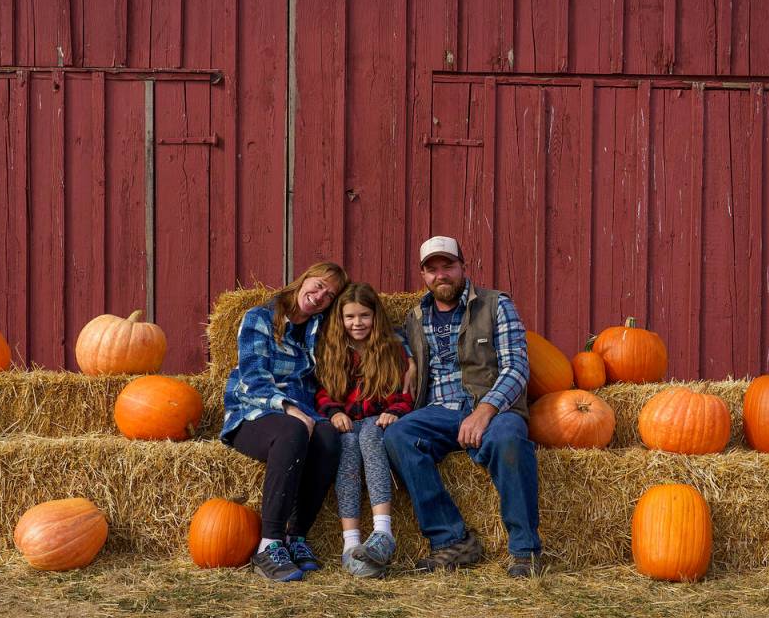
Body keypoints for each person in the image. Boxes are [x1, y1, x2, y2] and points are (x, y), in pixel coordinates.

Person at [383, 236, 543, 578]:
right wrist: (407, 359)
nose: (441, 275)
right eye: (432, 269)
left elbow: (516, 367)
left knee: (509, 441)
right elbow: (376, 338)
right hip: (438, 411)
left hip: (493, 407)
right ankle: (451, 540)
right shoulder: (415, 317)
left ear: (462, 267)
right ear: (423, 275)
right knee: (398, 435)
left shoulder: (496, 304)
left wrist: (484, 411)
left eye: (448, 266)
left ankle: (524, 550)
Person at [220, 261, 349, 582]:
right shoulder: (260, 318)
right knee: (294, 430)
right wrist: (289, 407)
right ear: (304, 279)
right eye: (318, 285)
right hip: (254, 413)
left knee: (330, 438)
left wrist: (410, 359)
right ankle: (269, 543)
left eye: (329, 295)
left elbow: (373, 331)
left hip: (304, 414)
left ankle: (296, 537)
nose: (320, 296)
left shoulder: (321, 328)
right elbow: (253, 376)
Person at [315, 282, 414, 578]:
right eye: (350, 317)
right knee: (346, 447)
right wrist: (333, 412)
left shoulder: (390, 349)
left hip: (376, 419)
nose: (357, 323)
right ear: (340, 319)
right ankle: (351, 544)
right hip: (346, 421)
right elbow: (321, 391)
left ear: (375, 316)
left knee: (371, 437)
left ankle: (383, 532)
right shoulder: (331, 351)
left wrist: (394, 412)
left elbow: (404, 391)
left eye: (364, 316)